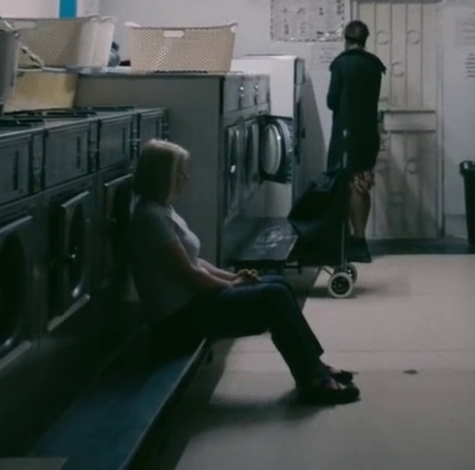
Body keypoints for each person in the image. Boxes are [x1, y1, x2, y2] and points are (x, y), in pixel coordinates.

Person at [127, 138, 361, 405]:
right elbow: (188, 275)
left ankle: (314, 366)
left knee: (279, 284)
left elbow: (196, 261)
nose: (186, 179)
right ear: (163, 177)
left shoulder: (162, 210)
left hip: (194, 304)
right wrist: (233, 286)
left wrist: (233, 278)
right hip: (178, 320)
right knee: (273, 296)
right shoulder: (150, 219)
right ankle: (313, 380)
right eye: (180, 174)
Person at [325, 19, 386, 254]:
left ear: (346, 39)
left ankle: (357, 241)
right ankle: (361, 235)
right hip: (368, 134)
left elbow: (332, 101)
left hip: (347, 134)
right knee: (362, 185)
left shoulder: (341, 64)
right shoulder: (374, 65)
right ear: (365, 40)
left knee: (349, 185)